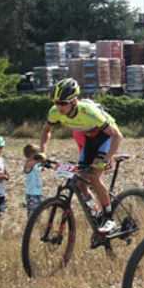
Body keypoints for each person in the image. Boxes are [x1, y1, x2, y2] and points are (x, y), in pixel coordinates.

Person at [39, 78, 124, 240]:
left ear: (74, 101)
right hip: (90, 139)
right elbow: (46, 131)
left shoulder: (88, 112)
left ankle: (108, 217)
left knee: (93, 176)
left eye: (63, 103)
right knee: (79, 182)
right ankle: (96, 213)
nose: (59, 106)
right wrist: (43, 152)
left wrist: (106, 159)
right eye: (56, 102)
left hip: (107, 138)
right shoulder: (55, 112)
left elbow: (116, 136)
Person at [23, 143, 45, 214]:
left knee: (38, 213)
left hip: (39, 193)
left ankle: (37, 224)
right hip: (31, 194)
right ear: (30, 155)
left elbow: (42, 168)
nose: (39, 156)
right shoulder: (28, 165)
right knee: (33, 214)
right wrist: (38, 160)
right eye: (37, 154)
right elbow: (28, 166)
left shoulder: (37, 165)